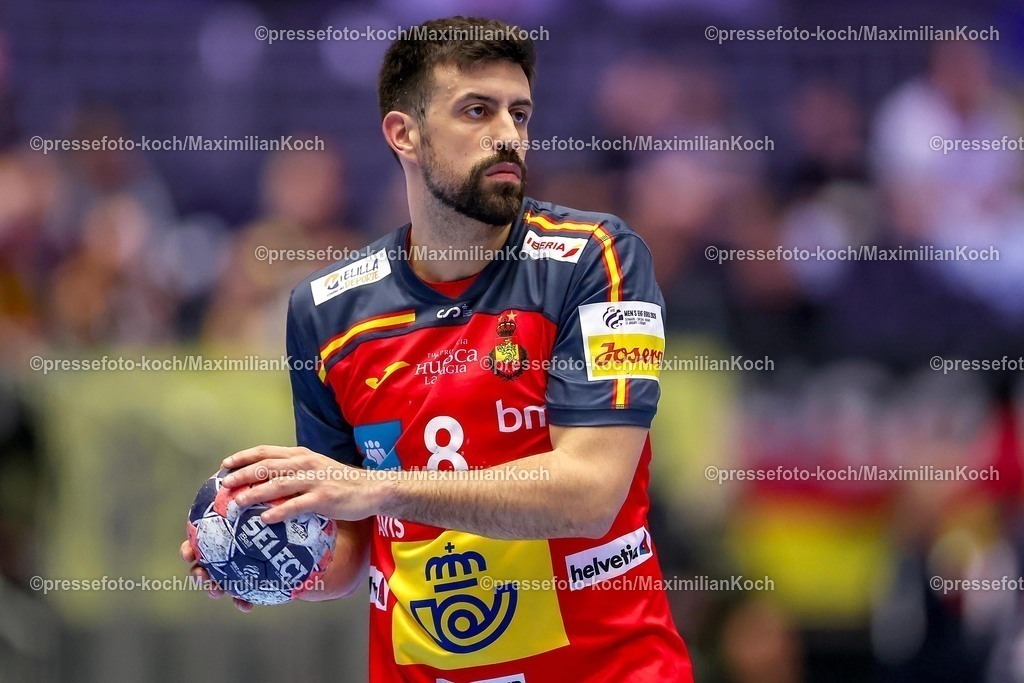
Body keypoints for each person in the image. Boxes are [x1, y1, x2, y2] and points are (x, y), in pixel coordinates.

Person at [181, 15, 693, 682]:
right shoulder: (328, 310)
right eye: (476, 111)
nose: (508, 134)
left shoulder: (597, 260)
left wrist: (378, 486)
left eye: (519, 112)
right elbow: (353, 544)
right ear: (404, 134)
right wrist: (276, 563)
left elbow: (591, 492)